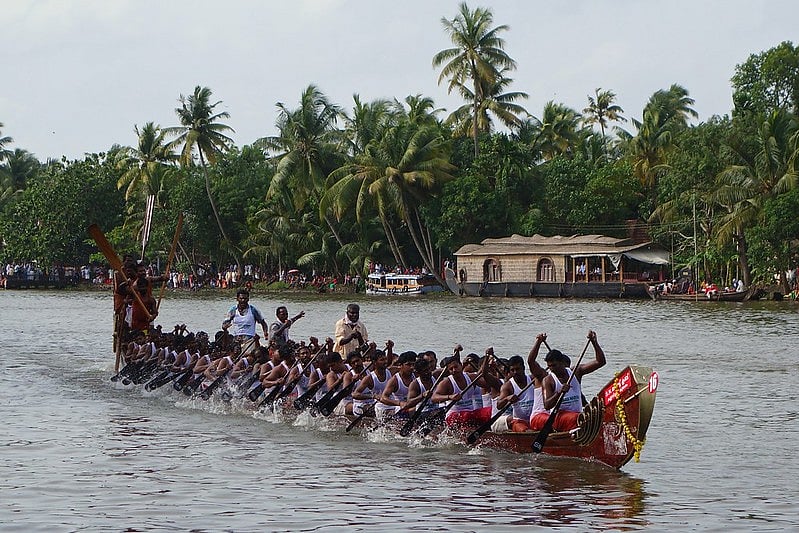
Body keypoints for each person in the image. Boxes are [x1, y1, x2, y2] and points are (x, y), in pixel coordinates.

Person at [537, 330, 605, 432]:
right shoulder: (548, 380)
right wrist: (559, 393)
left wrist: (594, 342)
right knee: (578, 418)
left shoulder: (576, 372)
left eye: (554, 365)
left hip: (577, 415)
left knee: (598, 414)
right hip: (559, 417)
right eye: (549, 366)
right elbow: (547, 405)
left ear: (562, 363)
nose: (551, 369)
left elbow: (600, 362)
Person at [222, 288, 268, 355]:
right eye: (241, 298)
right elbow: (225, 323)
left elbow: (263, 323)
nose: (243, 301)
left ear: (248, 299)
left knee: (248, 357)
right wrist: (225, 327)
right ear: (237, 299)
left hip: (249, 340)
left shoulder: (253, 310)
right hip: (236, 340)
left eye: (245, 299)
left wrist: (265, 333)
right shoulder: (233, 310)